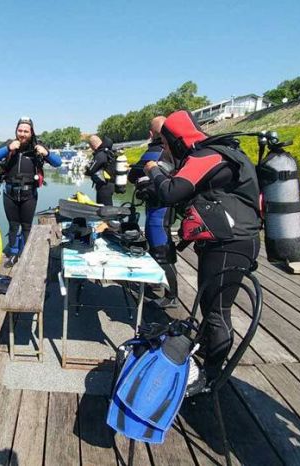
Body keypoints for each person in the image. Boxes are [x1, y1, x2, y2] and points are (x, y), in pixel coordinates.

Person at [144, 110, 260, 379]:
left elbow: (171, 192)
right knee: (211, 309)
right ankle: (205, 361)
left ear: (176, 139)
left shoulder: (205, 155)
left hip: (228, 244)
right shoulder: (223, 152)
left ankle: (211, 375)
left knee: (217, 313)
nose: (164, 149)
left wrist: (154, 171)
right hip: (235, 241)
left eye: (165, 143)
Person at [0, 117, 61, 267]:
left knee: (27, 225)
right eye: (20, 130)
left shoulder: (37, 147)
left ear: (31, 132)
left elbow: (57, 163)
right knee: (13, 225)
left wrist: (46, 153)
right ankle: (14, 254)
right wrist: (8, 148)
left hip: (29, 194)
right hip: (10, 193)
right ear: (16, 131)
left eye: (26, 131)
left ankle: (27, 253)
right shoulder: (9, 144)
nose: (22, 134)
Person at [128, 116, 178, 309]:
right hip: (166, 205)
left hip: (158, 209)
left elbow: (133, 175)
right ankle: (156, 283)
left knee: (160, 248)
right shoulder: (174, 151)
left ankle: (171, 295)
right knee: (161, 245)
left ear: (153, 134)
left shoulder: (155, 151)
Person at [84, 135, 116, 205]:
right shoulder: (107, 152)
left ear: (93, 145)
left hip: (104, 187)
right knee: (106, 208)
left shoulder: (100, 154)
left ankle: (108, 216)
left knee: (104, 210)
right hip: (109, 185)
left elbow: (90, 170)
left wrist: (86, 169)